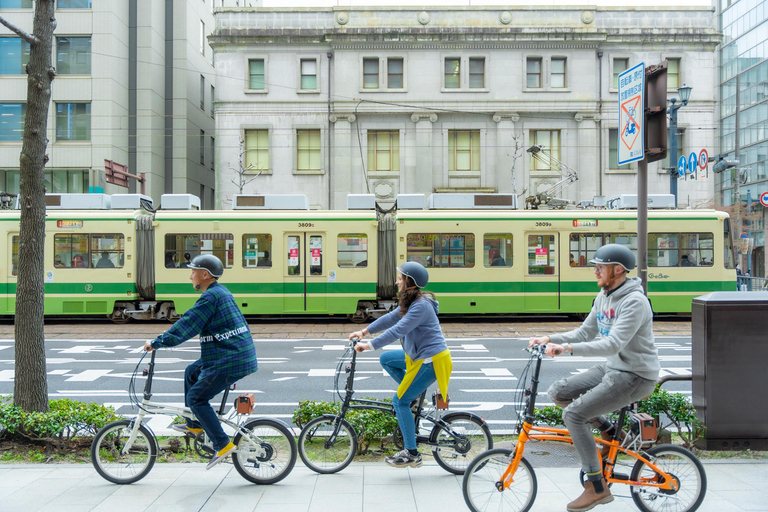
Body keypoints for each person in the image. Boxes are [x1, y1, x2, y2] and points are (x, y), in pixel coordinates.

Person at [528, 244, 659, 512]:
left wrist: (566, 350)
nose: (595, 271)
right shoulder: (603, 295)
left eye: (600, 266)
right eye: (596, 266)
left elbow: (612, 344)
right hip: (614, 368)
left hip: (636, 375)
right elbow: (586, 332)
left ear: (618, 269)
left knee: (574, 415)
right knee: (559, 392)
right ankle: (612, 433)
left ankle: (596, 487)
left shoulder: (635, 302)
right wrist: (550, 338)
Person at [143, 254, 258, 470]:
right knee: (191, 371)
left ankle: (222, 444)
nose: (190, 276)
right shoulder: (219, 292)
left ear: (205, 275)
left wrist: (156, 343)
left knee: (196, 398)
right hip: (231, 354)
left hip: (230, 358)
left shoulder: (210, 298)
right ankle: (195, 424)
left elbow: (187, 324)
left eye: (193, 272)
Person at [348, 261, 451, 469]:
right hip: (417, 356)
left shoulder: (421, 306)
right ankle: (412, 397)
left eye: (400, 279)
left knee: (400, 402)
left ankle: (412, 454)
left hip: (430, 361)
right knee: (386, 359)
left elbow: (398, 330)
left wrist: (368, 345)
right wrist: (364, 332)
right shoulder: (412, 303)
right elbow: (389, 319)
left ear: (409, 283)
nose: (396, 282)